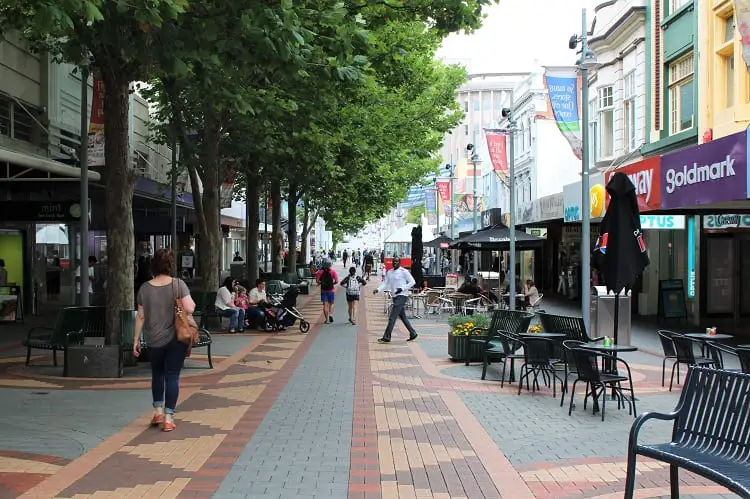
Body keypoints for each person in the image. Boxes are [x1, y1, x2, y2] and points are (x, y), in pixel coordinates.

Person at [133, 248, 195, 432]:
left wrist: (136, 339)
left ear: (153, 266)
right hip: (177, 338)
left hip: (153, 339)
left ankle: (157, 412)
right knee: (172, 376)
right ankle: (169, 418)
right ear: (171, 265)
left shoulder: (144, 288)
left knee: (157, 374)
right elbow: (190, 308)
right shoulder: (178, 285)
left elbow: (141, 316)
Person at [373, 256, 418, 343]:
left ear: (400, 263)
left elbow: (412, 282)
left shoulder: (404, 272)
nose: (395, 263)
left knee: (392, 317)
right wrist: (378, 289)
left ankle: (387, 337)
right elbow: (385, 282)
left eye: (397, 262)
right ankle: (413, 333)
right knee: (403, 317)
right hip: (395, 296)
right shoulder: (389, 272)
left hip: (402, 296)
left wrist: (402, 288)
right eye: (394, 261)